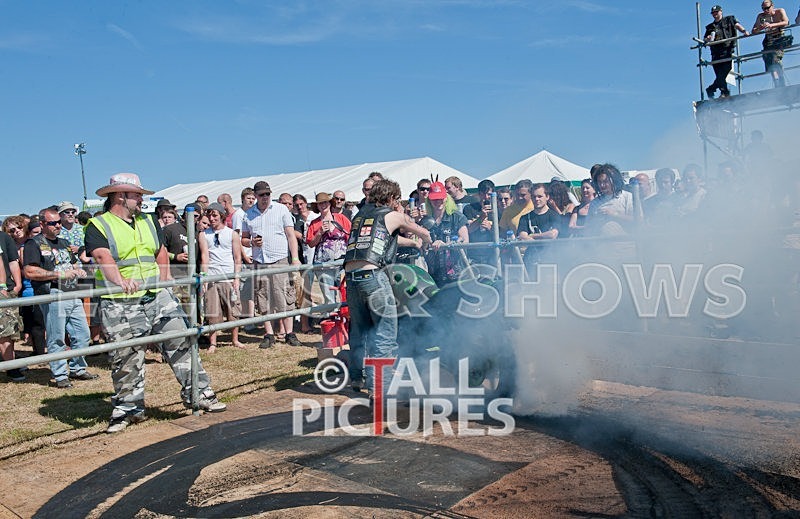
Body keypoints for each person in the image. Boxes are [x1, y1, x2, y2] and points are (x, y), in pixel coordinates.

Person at [85, 172, 226, 433]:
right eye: (137, 195)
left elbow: (160, 251)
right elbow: (102, 256)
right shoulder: (99, 225)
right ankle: (129, 408)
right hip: (120, 301)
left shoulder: (148, 221)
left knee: (182, 340)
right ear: (120, 196)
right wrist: (119, 281)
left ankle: (200, 394)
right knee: (125, 356)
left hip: (157, 295)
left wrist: (165, 280)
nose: (141, 199)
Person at [344, 178, 432, 394]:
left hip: (351, 277)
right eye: (397, 199)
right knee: (384, 331)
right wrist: (426, 240)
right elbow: (422, 231)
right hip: (373, 276)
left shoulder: (360, 215)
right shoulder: (392, 215)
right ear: (392, 198)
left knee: (360, 330)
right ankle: (379, 387)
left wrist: (412, 243)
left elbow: (383, 238)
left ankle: (357, 377)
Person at [23, 208, 98, 388]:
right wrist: (57, 274)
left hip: (72, 292)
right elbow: (29, 271)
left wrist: (78, 270)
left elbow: (72, 263)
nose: (58, 225)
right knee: (56, 335)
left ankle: (78, 368)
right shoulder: (34, 244)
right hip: (52, 293)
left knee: (82, 333)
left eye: (58, 222)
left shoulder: (63, 242)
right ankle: (60, 374)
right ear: (42, 224)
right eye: (53, 223)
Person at [241, 181, 302, 348]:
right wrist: (252, 242)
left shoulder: (281, 209)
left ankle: (290, 333)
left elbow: (291, 236)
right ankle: (269, 334)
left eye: (267, 194)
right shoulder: (248, 215)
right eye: (261, 195)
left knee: (285, 295)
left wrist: (294, 258)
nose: (265, 197)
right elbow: (243, 240)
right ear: (255, 196)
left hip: (279, 259)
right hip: (260, 261)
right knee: (263, 297)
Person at [201, 203, 243, 352]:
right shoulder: (204, 234)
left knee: (233, 311)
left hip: (228, 276)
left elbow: (237, 258)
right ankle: (213, 342)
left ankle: (235, 339)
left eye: (215, 216)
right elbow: (205, 257)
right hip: (212, 277)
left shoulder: (232, 234)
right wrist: (204, 279)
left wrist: (236, 278)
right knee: (212, 311)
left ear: (222, 216)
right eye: (210, 216)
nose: (212, 219)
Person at [306, 193, 351, 310]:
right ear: (317, 206)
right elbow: (310, 243)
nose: (323, 205)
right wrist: (320, 232)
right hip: (323, 265)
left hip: (343, 263)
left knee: (345, 294)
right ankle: (333, 322)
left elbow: (351, 235)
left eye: (325, 202)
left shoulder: (341, 218)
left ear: (330, 203)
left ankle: (347, 321)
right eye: (320, 203)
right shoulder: (314, 223)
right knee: (329, 297)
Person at [423, 182, 469, 286]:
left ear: (446, 198)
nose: (438, 201)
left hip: (456, 274)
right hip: (433, 275)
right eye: (434, 199)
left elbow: (464, 240)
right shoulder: (426, 220)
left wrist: (445, 244)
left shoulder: (457, 217)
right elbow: (421, 244)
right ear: (429, 200)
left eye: (440, 198)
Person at [704, 5, 749, 99]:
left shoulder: (729, 20)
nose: (715, 14)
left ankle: (711, 89)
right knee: (719, 74)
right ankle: (724, 92)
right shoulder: (710, 27)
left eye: (716, 12)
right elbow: (705, 39)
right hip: (715, 52)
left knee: (725, 71)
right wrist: (707, 39)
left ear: (721, 11)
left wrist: (744, 31)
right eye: (713, 13)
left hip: (727, 50)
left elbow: (737, 25)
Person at [517, 183, 560, 270]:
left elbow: (553, 235)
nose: (536, 199)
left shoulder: (554, 216)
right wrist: (544, 237)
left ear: (547, 197)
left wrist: (533, 236)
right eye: (534, 196)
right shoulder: (525, 218)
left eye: (540, 196)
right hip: (531, 261)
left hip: (551, 260)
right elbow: (522, 236)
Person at [0, 229, 24, 382]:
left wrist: (14, 285)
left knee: (7, 330)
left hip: (5, 290)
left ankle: (11, 365)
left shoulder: (4, 237)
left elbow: (9, 262)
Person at [585, 164, 633, 236]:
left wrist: (614, 214)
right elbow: (588, 227)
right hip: (601, 245)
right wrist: (596, 221)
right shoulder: (594, 203)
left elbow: (637, 220)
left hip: (625, 244)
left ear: (614, 180)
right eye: (599, 182)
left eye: (605, 181)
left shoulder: (627, 197)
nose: (602, 185)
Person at [752, 0, 790, 87]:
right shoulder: (761, 16)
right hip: (768, 39)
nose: (765, 10)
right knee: (768, 61)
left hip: (779, 37)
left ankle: (781, 80)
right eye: (763, 8)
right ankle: (776, 82)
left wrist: (772, 25)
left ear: (772, 6)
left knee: (776, 59)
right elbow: (753, 30)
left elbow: (786, 22)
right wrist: (760, 28)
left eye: (767, 8)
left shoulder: (780, 11)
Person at [463, 179, 496, 266]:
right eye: (482, 194)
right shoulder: (469, 208)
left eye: (488, 194)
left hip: (492, 254)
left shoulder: (497, 210)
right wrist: (481, 218)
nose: (485, 197)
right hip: (473, 254)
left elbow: (501, 233)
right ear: (478, 194)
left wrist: (490, 227)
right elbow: (468, 230)